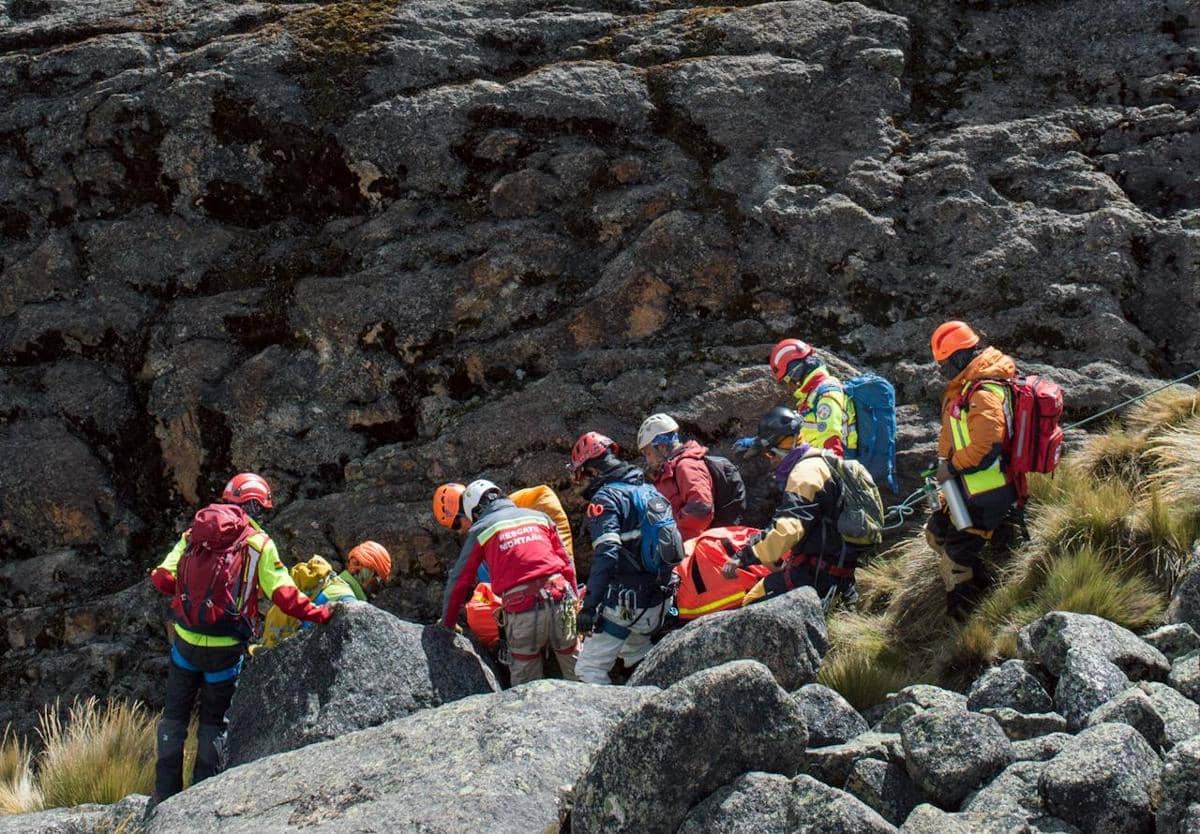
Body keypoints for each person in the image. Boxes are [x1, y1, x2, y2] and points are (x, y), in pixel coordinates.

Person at [147, 473, 332, 810]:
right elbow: (285, 596)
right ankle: (200, 799)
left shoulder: (195, 533)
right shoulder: (260, 544)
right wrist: (322, 614)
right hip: (225, 650)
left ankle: (164, 792)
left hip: (184, 642)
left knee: (174, 717)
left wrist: (194, 601)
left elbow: (161, 577)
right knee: (214, 722)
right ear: (254, 506)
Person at [722, 407, 866, 606]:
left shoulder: (803, 475)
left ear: (776, 451)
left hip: (815, 578)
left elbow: (789, 528)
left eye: (769, 455)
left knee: (752, 601)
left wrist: (743, 557)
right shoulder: (823, 460)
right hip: (840, 573)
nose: (772, 461)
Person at [440, 479, 579, 684]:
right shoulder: (541, 517)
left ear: (473, 509)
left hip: (524, 611)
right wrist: (575, 599)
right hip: (562, 601)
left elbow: (459, 580)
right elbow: (566, 563)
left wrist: (447, 623)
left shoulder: (482, 528)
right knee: (579, 670)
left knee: (527, 685)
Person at [926, 320, 1020, 619]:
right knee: (935, 533)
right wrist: (944, 468)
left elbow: (986, 447)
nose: (942, 371)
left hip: (989, 490)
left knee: (956, 556)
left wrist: (950, 468)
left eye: (944, 364)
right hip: (969, 485)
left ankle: (965, 621)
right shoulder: (965, 388)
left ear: (958, 357)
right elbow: (954, 435)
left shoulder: (983, 391)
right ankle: (986, 585)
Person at [569, 432, 675, 684]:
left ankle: (611, 720)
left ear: (592, 471)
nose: (579, 483)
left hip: (628, 603)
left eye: (580, 474)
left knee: (588, 669)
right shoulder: (650, 490)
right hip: (661, 597)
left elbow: (607, 554)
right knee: (635, 650)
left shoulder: (605, 499)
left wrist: (590, 607)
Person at [764, 338, 857, 456]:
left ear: (795, 372)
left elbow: (831, 439)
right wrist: (759, 441)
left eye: (786, 380)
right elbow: (794, 433)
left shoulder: (827, 392)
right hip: (817, 462)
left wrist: (828, 472)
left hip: (835, 464)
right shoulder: (809, 397)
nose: (788, 386)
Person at [636, 413, 715, 541]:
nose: (647, 460)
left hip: (691, 547)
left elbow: (701, 508)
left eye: (648, 453)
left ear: (661, 447)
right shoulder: (669, 470)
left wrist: (670, 535)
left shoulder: (686, 466)